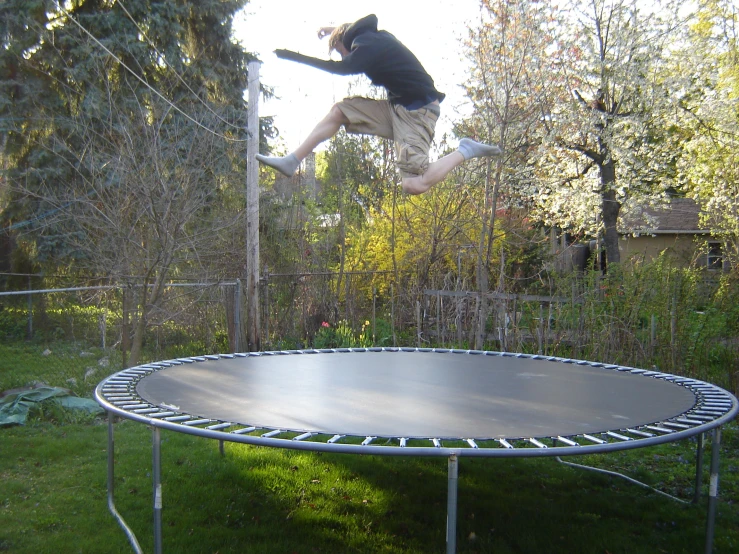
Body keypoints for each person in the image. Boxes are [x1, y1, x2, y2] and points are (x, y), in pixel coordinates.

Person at [255, 14, 503, 195]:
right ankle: (292, 160)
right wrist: (333, 30)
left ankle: (466, 150)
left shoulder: (368, 46)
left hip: (418, 113)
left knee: (413, 184)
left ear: (347, 43)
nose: (345, 56)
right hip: (397, 108)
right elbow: (348, 34)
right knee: (339, 112)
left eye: (342, 52)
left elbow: (343, 69)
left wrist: (293, 56)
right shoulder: (370, 38)